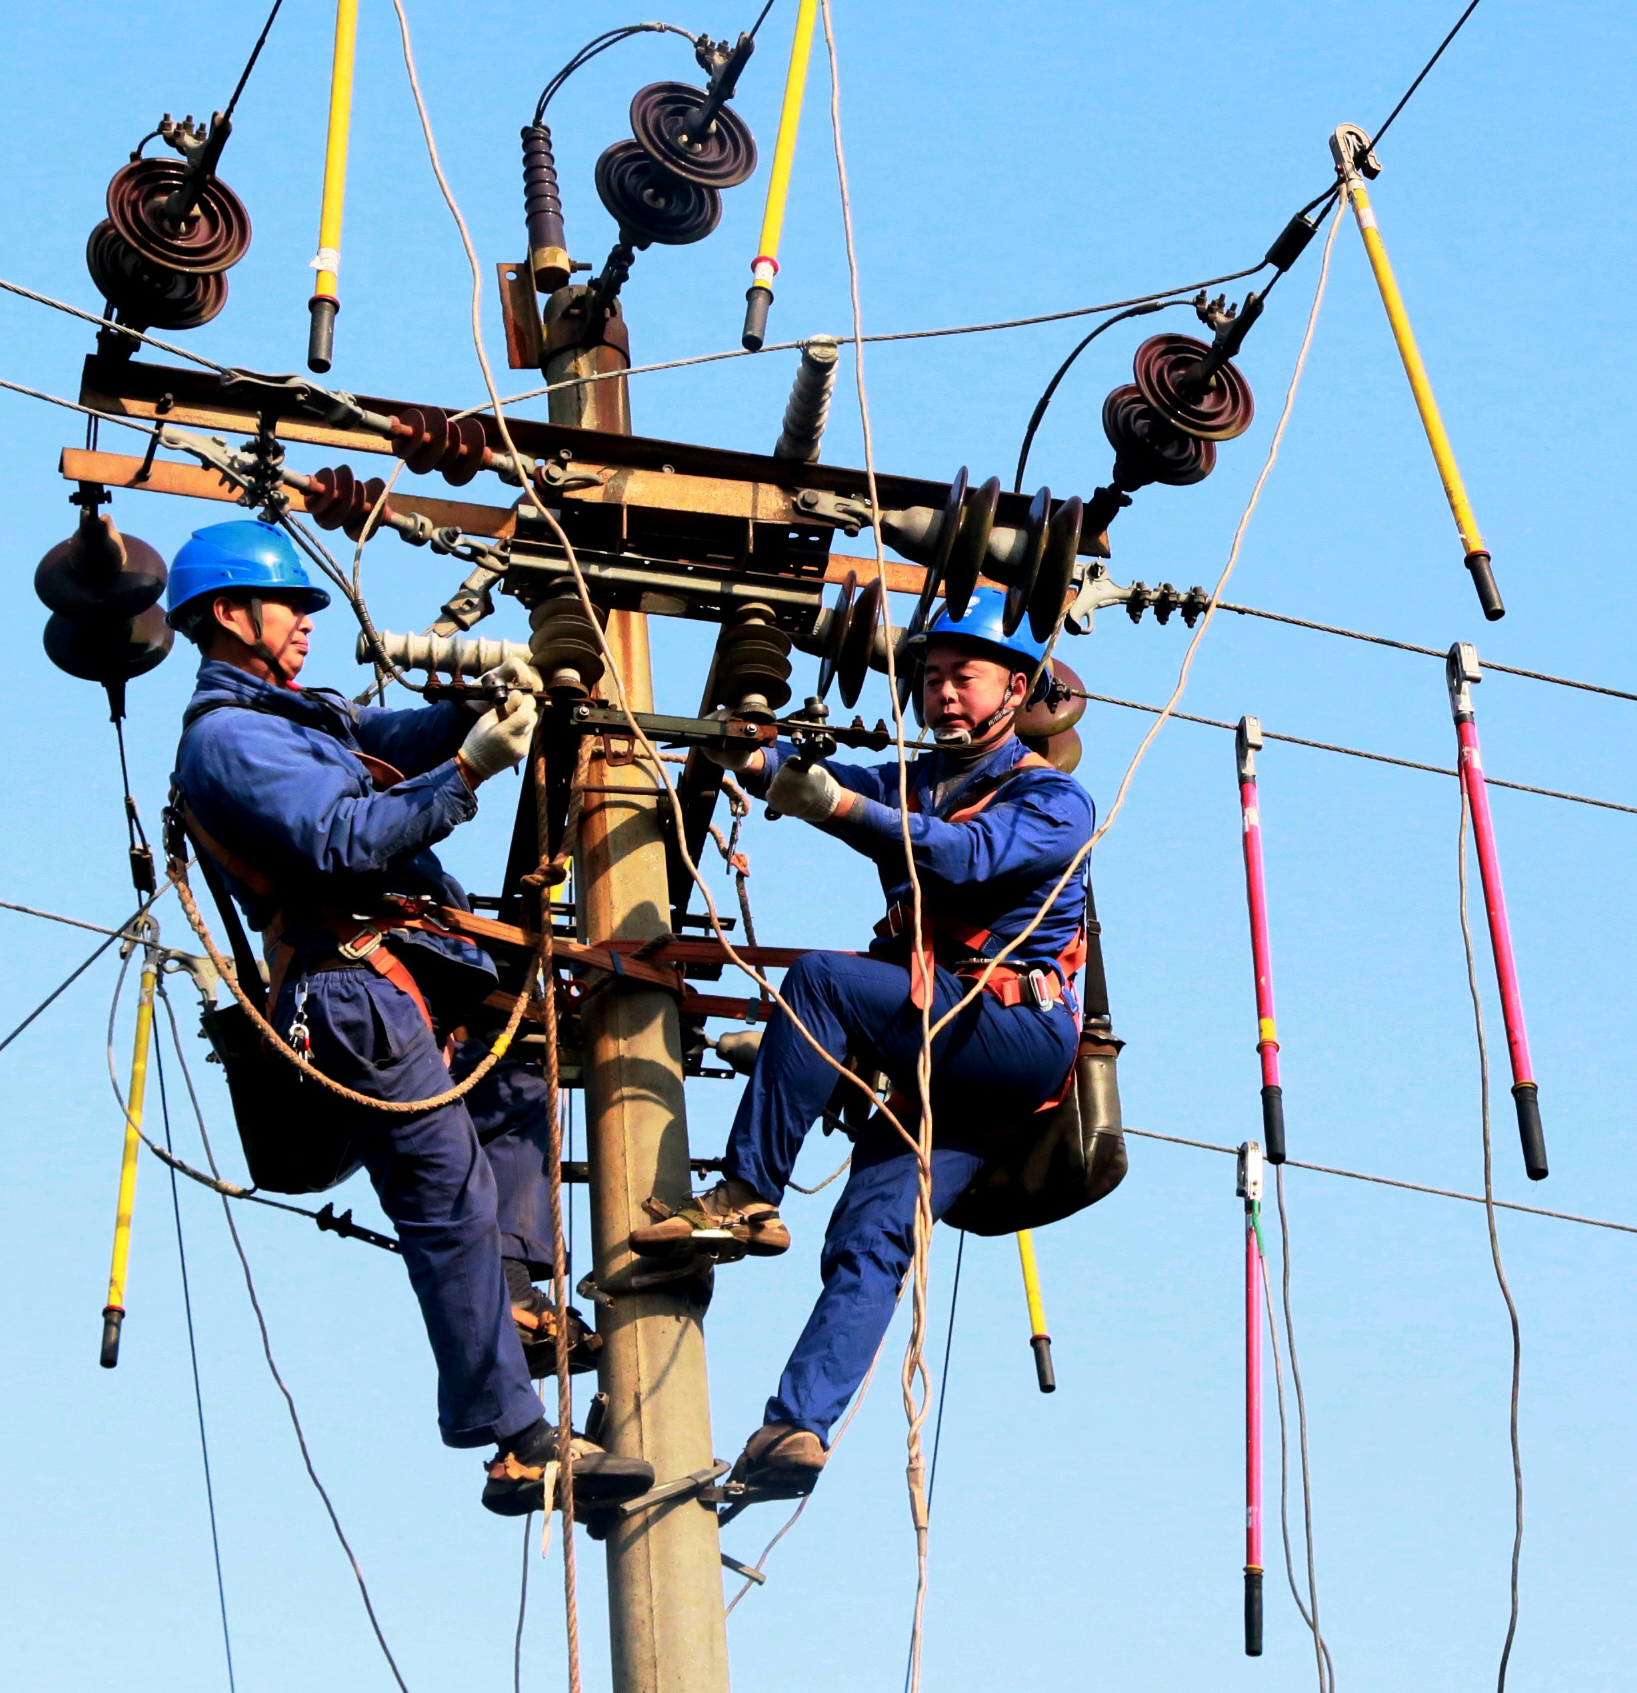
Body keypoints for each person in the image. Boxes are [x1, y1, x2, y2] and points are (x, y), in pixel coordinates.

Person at [166, 518, 647, 1517]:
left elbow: (390, 742)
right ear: (227, 614)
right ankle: (514, 1441)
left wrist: (484, 705)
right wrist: (469, 770)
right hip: (353, 985)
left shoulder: (302, 718)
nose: (304, 624)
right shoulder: (229, 741)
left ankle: (512, 1299)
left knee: (518, 1065)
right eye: (288, 607)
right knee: (444, 1191)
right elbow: (343, 842)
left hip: (414, 962)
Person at [626, 602, 1096, 1502]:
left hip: (1009, 1035)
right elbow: (825, 776)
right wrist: (753, 756)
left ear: (1018, 689)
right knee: (869, 1238)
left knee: (825, 981)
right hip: (943, 1063)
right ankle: (797, 1429)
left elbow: (959, 860)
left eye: (964, 678)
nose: (944, 695)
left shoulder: (1051, 798)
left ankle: (745, 1195)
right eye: (930, 679)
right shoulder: (916, 779)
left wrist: (836, 806)